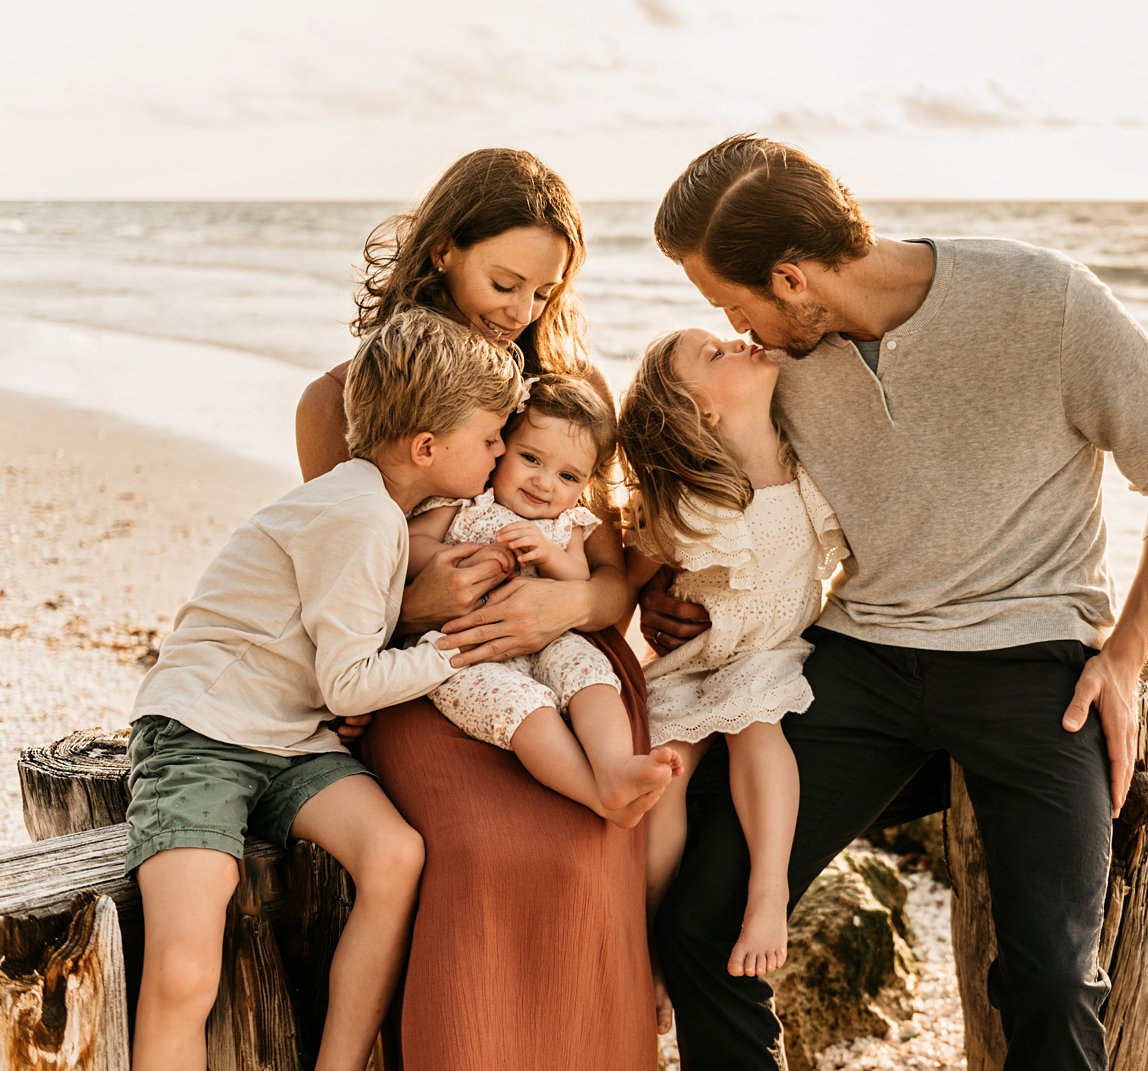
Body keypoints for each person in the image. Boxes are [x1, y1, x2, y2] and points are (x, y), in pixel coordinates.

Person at [640, 134, 1148, 1070]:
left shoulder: (1045, 300)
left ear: (792, 278)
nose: (734, 329)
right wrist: (672, 595)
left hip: (1034, 661)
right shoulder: (774, 366)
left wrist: (1125, 652)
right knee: (702, 922)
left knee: (1047, 976)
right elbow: (721, 495)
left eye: (731, 302)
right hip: (860, 655)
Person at [295, 148, 658, 1071]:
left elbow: (615, 582)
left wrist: (563, 604)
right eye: (505, 280)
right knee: (489, 851)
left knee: (588, 843)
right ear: (445, 249)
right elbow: (345, 591)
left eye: (542, 293)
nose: (520, 310)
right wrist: (424, 602)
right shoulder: (339, 403)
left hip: (568, 658)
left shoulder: (564, 396)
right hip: (431, 674)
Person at [127, 307, 520, 1071]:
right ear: (428, 446)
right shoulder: (363, 514)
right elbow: (350, 684)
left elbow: (335, 681)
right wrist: (452, 650)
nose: (502, 450)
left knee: (395, 853)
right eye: (492, 436)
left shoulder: (383, 507)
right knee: (182, 969)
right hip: (202, 734)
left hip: (290, 739)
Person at [616, 327, 847, 1026]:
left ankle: (769, 893)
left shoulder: (810, 468)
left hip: (769, 655)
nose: (739, 339)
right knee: (664, 775)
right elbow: (619, 588)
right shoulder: (692, 502)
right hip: (694, 665)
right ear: (703, 415)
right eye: (715, 354)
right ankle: (650, 940)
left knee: (755, 723)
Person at [408, 373, 682, 825]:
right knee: (523, 708)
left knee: (590, 674)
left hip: (552, 638)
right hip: (469, 654)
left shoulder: (568, 525)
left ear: (586, 484)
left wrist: (550, 554)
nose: (544, 482)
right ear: (499, 449)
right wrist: (457, 556)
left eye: (567, 475)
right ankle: (595, 793)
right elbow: (412, 545)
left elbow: (581, 578)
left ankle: (614, 765)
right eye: (531, 458)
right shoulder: (465, 503)